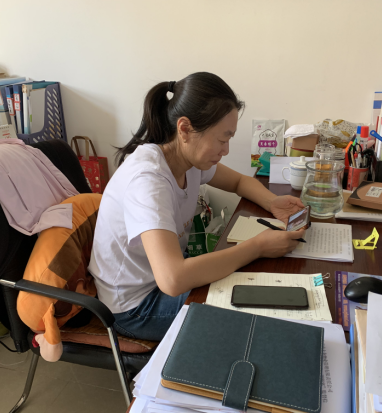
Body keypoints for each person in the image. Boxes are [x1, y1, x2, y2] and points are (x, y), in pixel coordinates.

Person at [88, 72, 306, 341]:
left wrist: (272, 202)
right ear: (185, 129)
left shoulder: (188, 160)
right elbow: (173, 279)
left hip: (163, 280)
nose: (226, 150)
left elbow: (239, 182)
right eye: (222, 139)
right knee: (249, 308)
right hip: (135, 307)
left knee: (248, 282)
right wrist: (258, 246)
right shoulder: (148, 181)